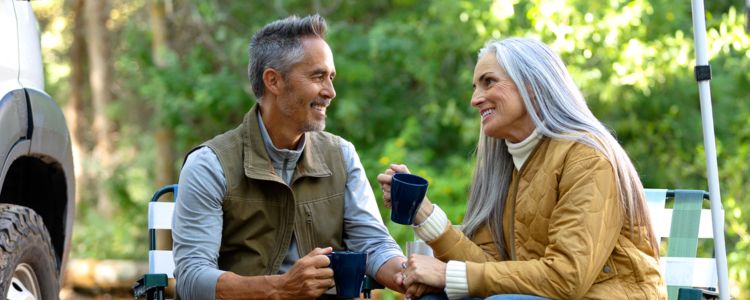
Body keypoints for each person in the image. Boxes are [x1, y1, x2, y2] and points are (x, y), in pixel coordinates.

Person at [378, 37, 666, 300]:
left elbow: (566, 277)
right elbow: (492, 270)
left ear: (532, 84)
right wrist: (424, 214)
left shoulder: (586, 157)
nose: (475, 99)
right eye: (476, 86)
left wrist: (446, 275)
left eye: (489, 82)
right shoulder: (512, 166)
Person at [172, 14, 406, 300]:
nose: (330, 92)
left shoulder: (342, 155)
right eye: (318, 76)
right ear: (273, 81)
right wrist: (280, 288)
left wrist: (406, 274)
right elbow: (192, 279)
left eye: (331, 78)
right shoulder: (209, 165)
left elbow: (373, 243)